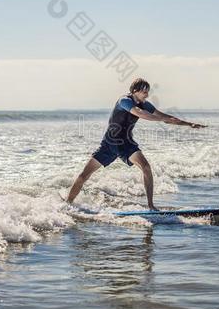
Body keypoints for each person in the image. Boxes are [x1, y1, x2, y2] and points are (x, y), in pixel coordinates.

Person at [65, 78, 207, 210]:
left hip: (127, 144)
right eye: (144, 91)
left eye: (148, 91)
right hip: (109, 144)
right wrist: (159, 119)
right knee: (84, 175)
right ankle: (67, 205)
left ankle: (151, 206)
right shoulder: (124, 101)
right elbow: (139, 113)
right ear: (135, 91)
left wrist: (189, 124)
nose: (147, 94)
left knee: (146, 167)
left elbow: (165, 117)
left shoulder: (145, 104)